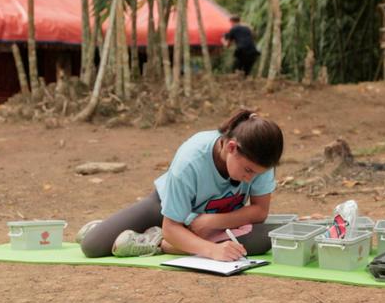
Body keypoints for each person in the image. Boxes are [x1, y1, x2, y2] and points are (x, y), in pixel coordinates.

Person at [79, 109, 284, 261]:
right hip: (168, 211)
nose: (250, 179)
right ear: (231, 147)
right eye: (248, 171)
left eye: (258, 174)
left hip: (214, 222)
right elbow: (171, 226)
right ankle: (158, 240)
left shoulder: (259, 160)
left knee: (266, 239)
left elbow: (259, 211)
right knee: (93, 246)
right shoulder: (190, 160)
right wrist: (212, 251)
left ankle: (162, 243)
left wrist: (212, 222)